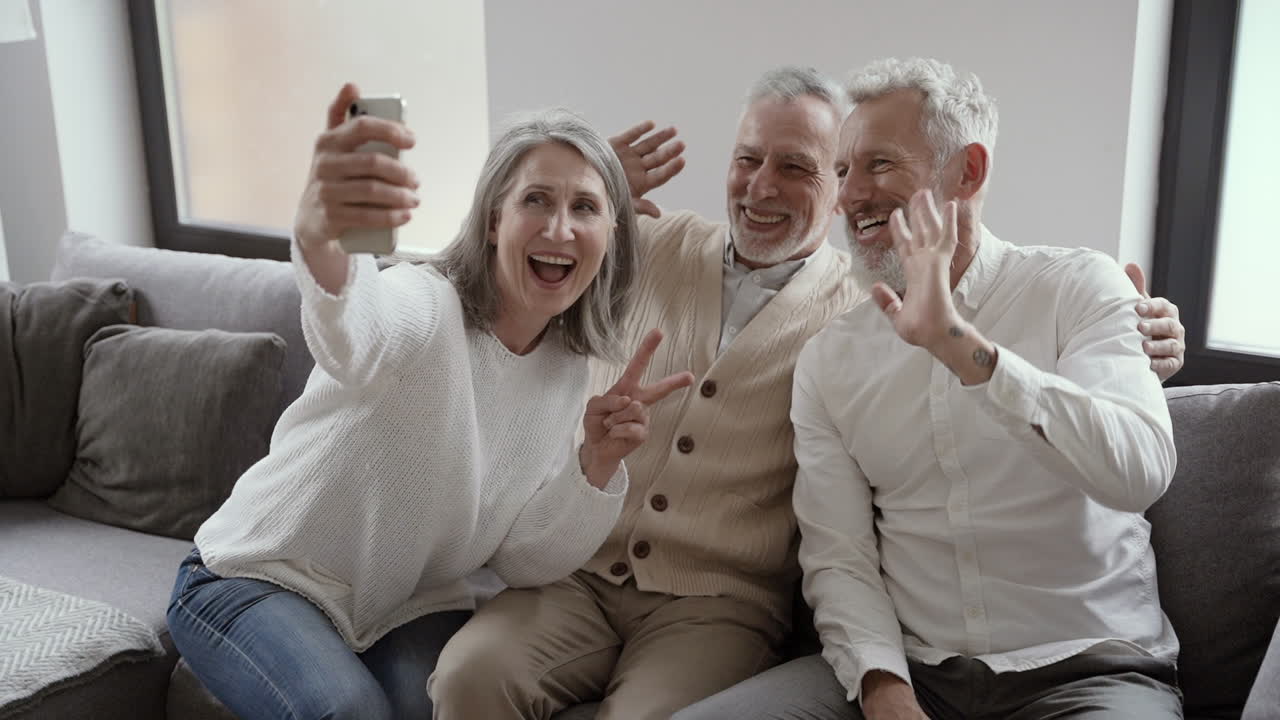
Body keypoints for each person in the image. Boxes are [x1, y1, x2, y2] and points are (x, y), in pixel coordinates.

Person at [431, 67, 1188, 720]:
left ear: (834, 192)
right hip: (580, 571)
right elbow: (469, 289)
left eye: (799, 167)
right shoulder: (646, 247)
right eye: (747, 160)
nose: (762, 187)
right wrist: (585, 196)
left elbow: (1129, 456)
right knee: (468, 674)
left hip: (722, 604)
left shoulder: (875, 309)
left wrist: (1118, 334)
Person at [165, 83, 693, 720]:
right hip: (252, 576)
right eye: (536, 200)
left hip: (403, 607)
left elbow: (522, 560)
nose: (560, 227)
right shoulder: (426, 304)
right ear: (494, 218)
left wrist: (596, 465)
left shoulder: (568, 369)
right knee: (350, 712)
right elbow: (355, 334)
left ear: (611, 232)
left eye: (585, 207)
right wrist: (324, 235)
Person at [677, 58, 1183, 720]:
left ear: (967, 171)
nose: (849, 195)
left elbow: (1138, 473)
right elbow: (839, 556)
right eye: (840, 171)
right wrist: (885, 690)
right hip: (914, 671)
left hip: (1086, 669)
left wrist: (961, 348)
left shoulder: (1080, 288)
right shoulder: (833, 358)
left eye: (878, 165)